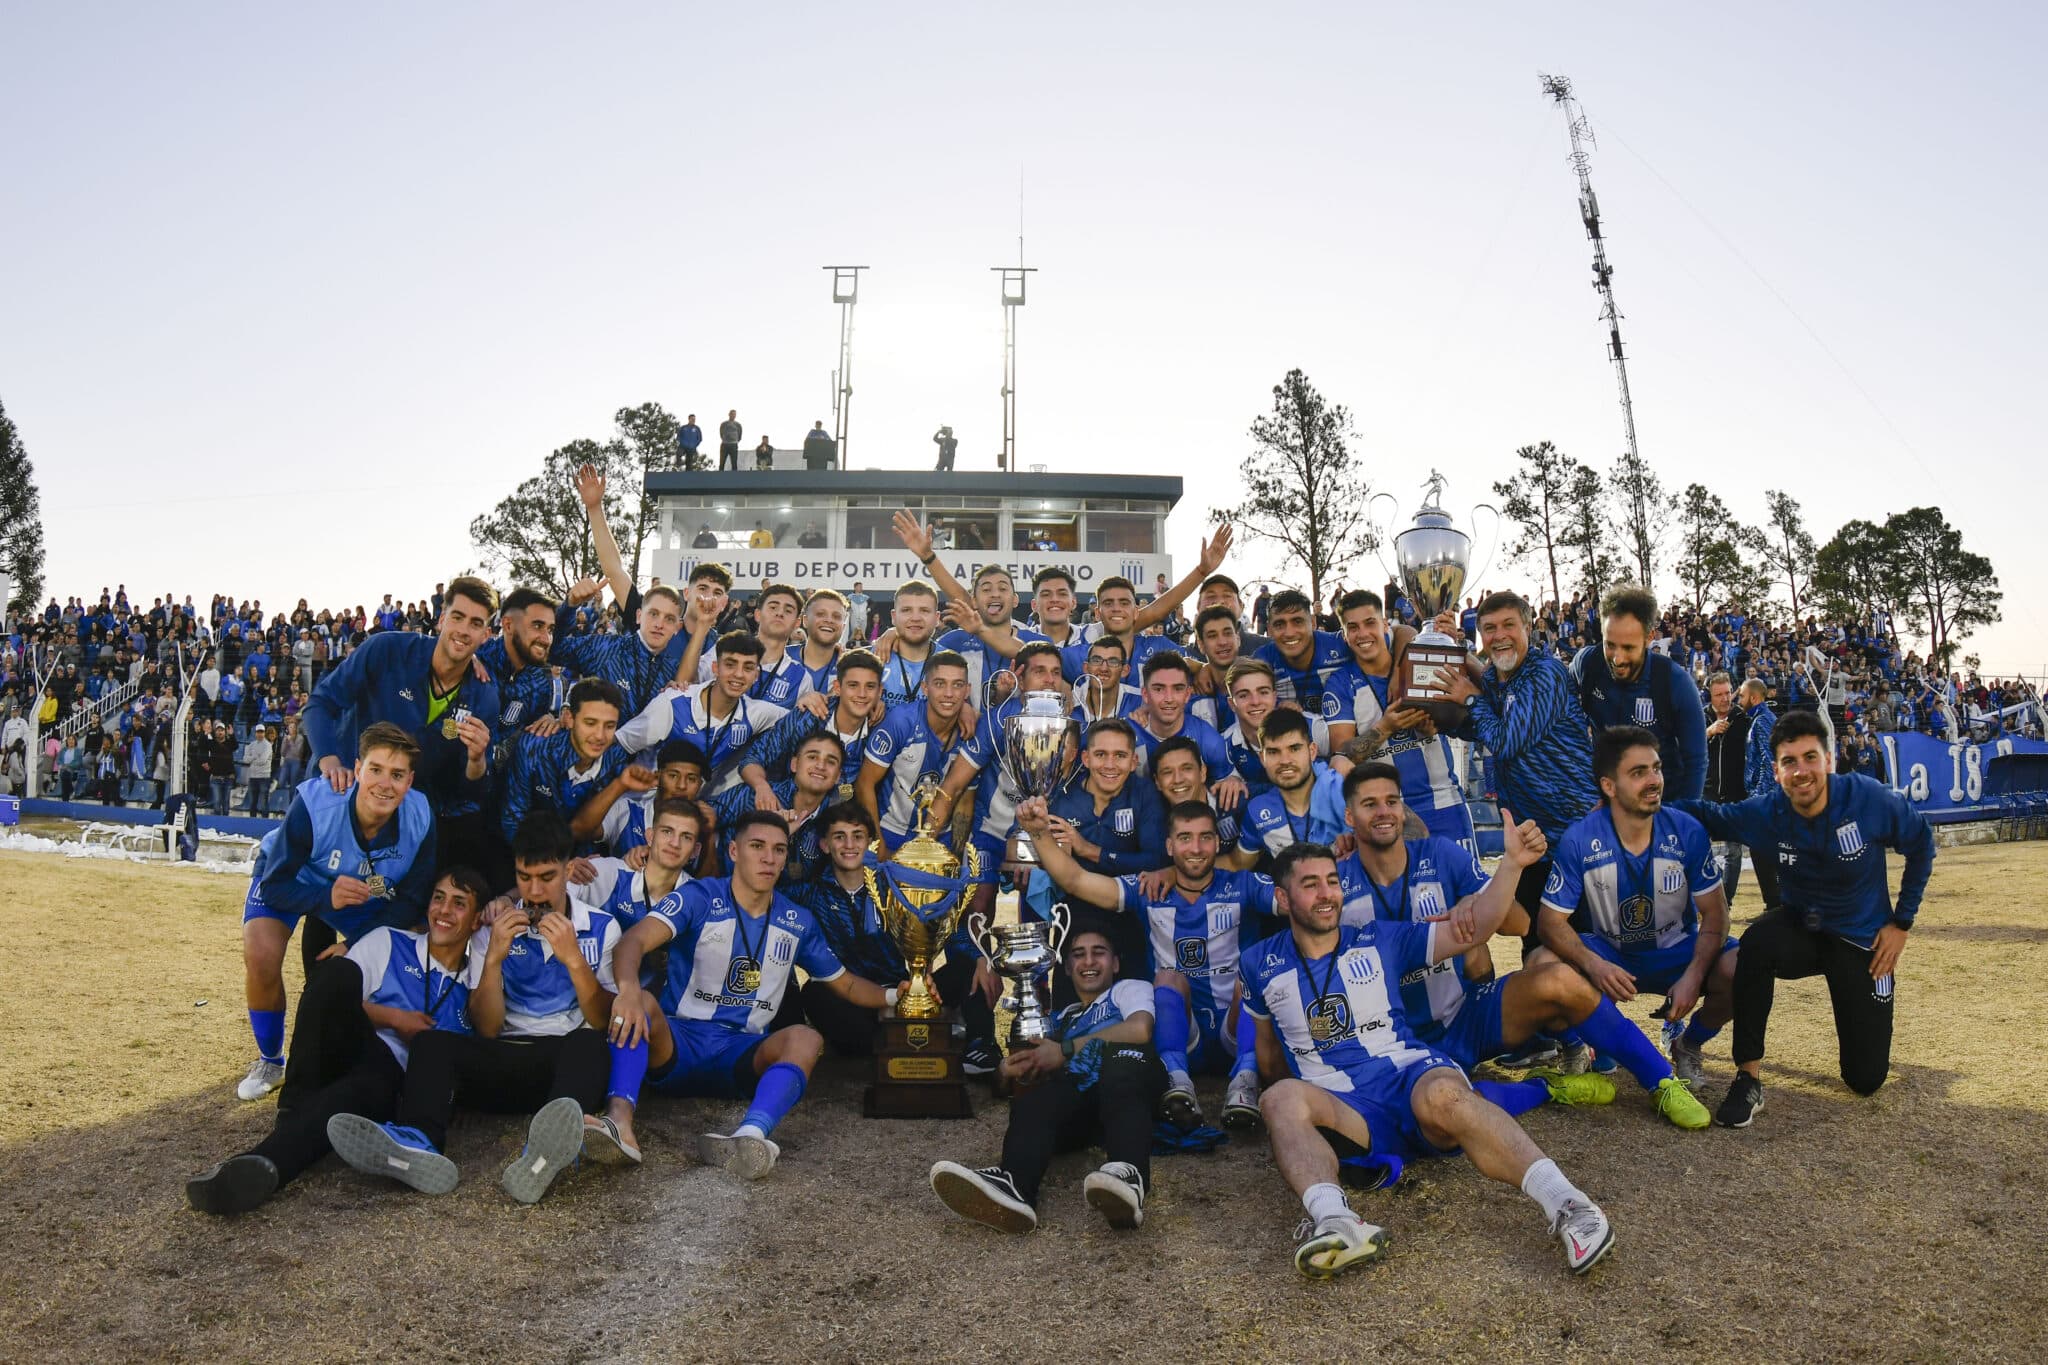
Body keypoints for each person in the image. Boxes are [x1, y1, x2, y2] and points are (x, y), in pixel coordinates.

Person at [1245, 841, 1616, 1279]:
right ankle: (1337, 1222)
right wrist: (1295, 1121)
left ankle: (1571, 1205)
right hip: (1346, 1110)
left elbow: (1474, 930)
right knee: (1279, 1098)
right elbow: (1268, 1055)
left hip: (1409, 1075)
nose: (1327, 894)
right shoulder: (1258, 963)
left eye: (1332, 881)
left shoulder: (1380, 936)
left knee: (1446, 1097)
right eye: (1310, 885)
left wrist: (1512, 864)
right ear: (1284, 898)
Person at [594, 810, 905, 1172]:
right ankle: (619, 1124)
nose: (768, 858)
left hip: (741, 1053)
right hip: (677, 1043)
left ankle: (752, 1135)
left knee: (805, 1038)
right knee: (641, 1002)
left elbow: (845, 983)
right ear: (733, 851)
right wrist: (629, 989)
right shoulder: (700, 896)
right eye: (757, 846)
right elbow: (633, 941)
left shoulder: (796, 920)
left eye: (778, 850)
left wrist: (897, 996)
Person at [330, 813, 617, 1204]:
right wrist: (494, 958)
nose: (533, 892)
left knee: (591, 1045)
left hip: (562, 1062)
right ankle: (417, 1142)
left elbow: (602, 1018)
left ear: (569, 870)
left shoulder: (601, 927)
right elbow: (486, 1027)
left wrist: (574, 961)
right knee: (432, 1044)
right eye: (523, 877)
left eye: (547, 877)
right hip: (502, 1059)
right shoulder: (492, 929)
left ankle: (544, 1151)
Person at [1672, 709, 1935, 1128]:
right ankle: (1749, 1077)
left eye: (1810, 758)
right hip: (1802, 929)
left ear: (1829, 760)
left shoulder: (1867, 798)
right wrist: (1642, 799)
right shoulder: (1768, 813)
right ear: (1776, 771)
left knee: (1865, 1080)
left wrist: (1901, 923)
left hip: (1860, 943)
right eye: (1789, 762)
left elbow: (1922, 843)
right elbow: (1707, 815)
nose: (1801, 771)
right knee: (1756, 943)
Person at [187, 869, 489, 1214]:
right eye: (438, 897)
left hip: (391, 1085)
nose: (444, 910)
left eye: (459, 903)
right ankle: (293, 1107)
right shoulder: (390, 941)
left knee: (361, 1089)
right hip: (350, 1046)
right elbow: (336, 998)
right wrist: (394, 1018)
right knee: (338, 973)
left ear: (477, 920)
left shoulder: (476, 986)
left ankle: (261, 1163)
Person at [1025, 798, 1272, 1132]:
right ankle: (1177, 1081)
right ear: (1169, 846)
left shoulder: (1244, 885)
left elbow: (1298, 900)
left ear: (1217, 842)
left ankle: (1245, 1080)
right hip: (1184, 1032)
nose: (1195, 848)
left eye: (1205, 837)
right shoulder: (1148, 889)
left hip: (1238, 1027)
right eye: (1185, 838)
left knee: (1254, 973)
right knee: (1168, 977)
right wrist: (1039, 834)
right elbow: (1076, 881)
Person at [236, 723, 439, 1101]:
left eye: (397, 775)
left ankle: (358, 1055)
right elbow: (276, 884)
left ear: (410, 780)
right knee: (261, 956)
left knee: (388, 956)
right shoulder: (316, 802)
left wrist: (355, 943)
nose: (384, 784)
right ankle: (270, 1060)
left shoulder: (420, 816)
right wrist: (324, 897)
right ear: (358, 768)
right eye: (376, 770)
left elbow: (412, 900)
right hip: (301, 880)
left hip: (363, 893)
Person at [1537, 728, 1737, 1090]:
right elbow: (1550, 923)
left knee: (1741, 966)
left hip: (1675, 952)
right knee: (1539, 965)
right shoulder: (1580, 838)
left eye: (1656, 769)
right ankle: (1578, 1045)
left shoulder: (1686, 831)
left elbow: (1717, 914)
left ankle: (1688, 1044)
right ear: (1609, 786)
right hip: (1610, 954)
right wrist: (1593, 965)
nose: (1654, 781)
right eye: (1638, 772)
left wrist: (1693, 976)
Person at [929, 927, 1161, 1232]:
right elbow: (1011, 1088)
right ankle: (1016, 1188)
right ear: (1066, 967)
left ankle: (1129, 1178)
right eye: (1079, 954)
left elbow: (1139, 1030)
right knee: (1041, 1097)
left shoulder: (1128, 990)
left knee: (1121, 1060)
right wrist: (1005, 1072)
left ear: (1115, 963)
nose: (1088, 961)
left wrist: (1064, 1050)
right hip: (1085, 1109)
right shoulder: (1059, 1019)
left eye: (1098, 952)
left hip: (1131, 1089)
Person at [1440, 591, 1595, 961]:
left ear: (1529, 627)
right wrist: (1452, 647)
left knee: (1578, 953)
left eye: (1509, 625)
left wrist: (1469, 700)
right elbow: (1485, 717)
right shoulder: (1499, 676)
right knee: (1537, 949)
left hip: (1572, 840)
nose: (1499, 635)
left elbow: (1505, 740)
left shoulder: (1545, 673)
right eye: (1489, 629)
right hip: (1532, 843)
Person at [1324, 590, 1473, 849]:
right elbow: (1341, 756)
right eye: (1353, 628)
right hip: (1387, 814)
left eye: (1370, 623)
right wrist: (1385, 727)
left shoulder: (1416, 659)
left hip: (1445, 802)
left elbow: (1461, 718)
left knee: (1465, 889)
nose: (1363, 634)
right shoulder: (1340, 684)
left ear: (1384, 624)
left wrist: (1433, 727)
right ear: (1345, 636)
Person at [1571, 585, 1708, 802]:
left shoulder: (1674, 682)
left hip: (1660, 806)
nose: (1617, 658)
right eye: (1610, 645)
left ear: (1648, 637)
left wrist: (1679, 822)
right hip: (1606, 805)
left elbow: (1696, 761)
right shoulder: (1587, 665)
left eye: (1628, 647)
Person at [619, 634, 793, 793]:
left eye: (748, 668)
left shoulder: (754, 713)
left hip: (689, 809)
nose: (739, 674)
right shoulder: (673, 703)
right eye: (730, 665)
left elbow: (799, 719)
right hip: (643, 801)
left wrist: (809, 699)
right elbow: (620, 744)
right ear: (715, 668)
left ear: (756, 675)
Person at [497, 677, 644, 854]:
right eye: (590, 723)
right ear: (570, 718)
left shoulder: (616, 759)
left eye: (609, 726)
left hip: (575, 863)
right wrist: (558, 865)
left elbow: (592, 831)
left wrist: (577, 866)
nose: (599, 735)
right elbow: (513, 822)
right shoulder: (535, 748)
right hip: (518, 855)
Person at [857, 651, 974, 852]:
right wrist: (878, 844)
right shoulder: (901, 722)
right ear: (925, 688)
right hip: (891, 831)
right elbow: (864, 784)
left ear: (967, 690)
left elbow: (965, 798)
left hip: (941, 836)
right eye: (939, 684)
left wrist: (954, 855)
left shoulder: (971, 731)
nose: (949, 693)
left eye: (957, 685)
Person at [709, 731, 847, 884]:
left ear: (838, 777)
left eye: (831, 761)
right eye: (812, 757)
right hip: (727, 896)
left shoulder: (833, 823)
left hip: (786, 905)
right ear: (794, 764)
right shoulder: (753, 796)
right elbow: (699, 821)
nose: (821, 766)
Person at [1230, 709, 1346, 868]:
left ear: (1312, 751)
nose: (1285, 760)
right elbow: (1235, 865)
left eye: (1294, 749)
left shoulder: (1344, 792)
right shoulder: (1258, 811)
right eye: (1273, 752)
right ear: (1262, 759)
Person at [601, 739, 709, 859]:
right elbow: (582, 829)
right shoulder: (627, 811)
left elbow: (705, 877)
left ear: (699, 785)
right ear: (657, 777)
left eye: (691, 779)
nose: (682, 785)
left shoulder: (702, 826)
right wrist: (619, 785)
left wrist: (708, 836)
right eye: (673, 776)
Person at [1255, 590, 1353, 715]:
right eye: (1279, 624)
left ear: (1313, 622)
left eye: (1297, 621)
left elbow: (1381, 642)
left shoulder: (1341, 643)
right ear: (1269, 629)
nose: (1289, 633)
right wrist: (1275, 705)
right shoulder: (1262, 660)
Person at [1701, 672, 1752, 905]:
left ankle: (1726, 901)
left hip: (1735, 793)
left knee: (1733, 851)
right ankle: (1708, 894)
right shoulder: (1700, 716)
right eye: (1719, 694)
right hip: (1706, 793)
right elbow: (1685, 745)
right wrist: (1709, 731)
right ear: (1709, 695)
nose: (1725, 698)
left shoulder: (1743, 718)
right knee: (1700, 848)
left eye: (1728, 692)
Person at [1737, 678, 1782, 912]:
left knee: (1762, 850)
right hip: (1766, 796)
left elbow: (1768, 758)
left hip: (1765, 797)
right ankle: (1775, 906)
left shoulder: (1763, 721)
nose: (1739, 700)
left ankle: (1775, 906)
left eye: (1741, 696)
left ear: (1754, 698)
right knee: (1764, 851)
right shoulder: (1759, 719)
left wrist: (1759, 795)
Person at [242, 723, 274, 814]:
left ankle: (265, 821)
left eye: (262, 732)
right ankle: (252, 821)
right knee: (253, 802)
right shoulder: (251, 745)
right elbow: (245, 759)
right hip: (253, 776)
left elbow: (263, 760)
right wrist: (255, 757)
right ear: (255, 733)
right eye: (258, 732)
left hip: (264, 776)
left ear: (264, 733)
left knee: (264, 801)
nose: (260, 734)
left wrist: (252, 758)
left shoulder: (268, 745)